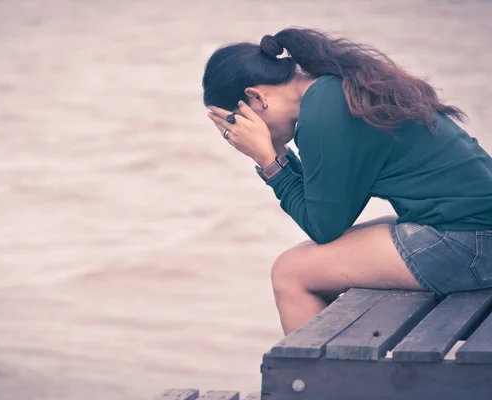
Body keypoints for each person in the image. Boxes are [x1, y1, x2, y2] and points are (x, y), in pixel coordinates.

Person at [202, 28, 492, 335]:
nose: (238, 137)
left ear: (256, 98)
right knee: (309, 257)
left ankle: (317, 381)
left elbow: (324, 226)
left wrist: (267, 161)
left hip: (470, 244)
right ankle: (344, 367)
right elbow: (325, 212)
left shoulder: (324, 112)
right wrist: (276, 156)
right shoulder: (333, 90)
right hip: (473, 230)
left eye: (235, 123)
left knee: (289, 273)